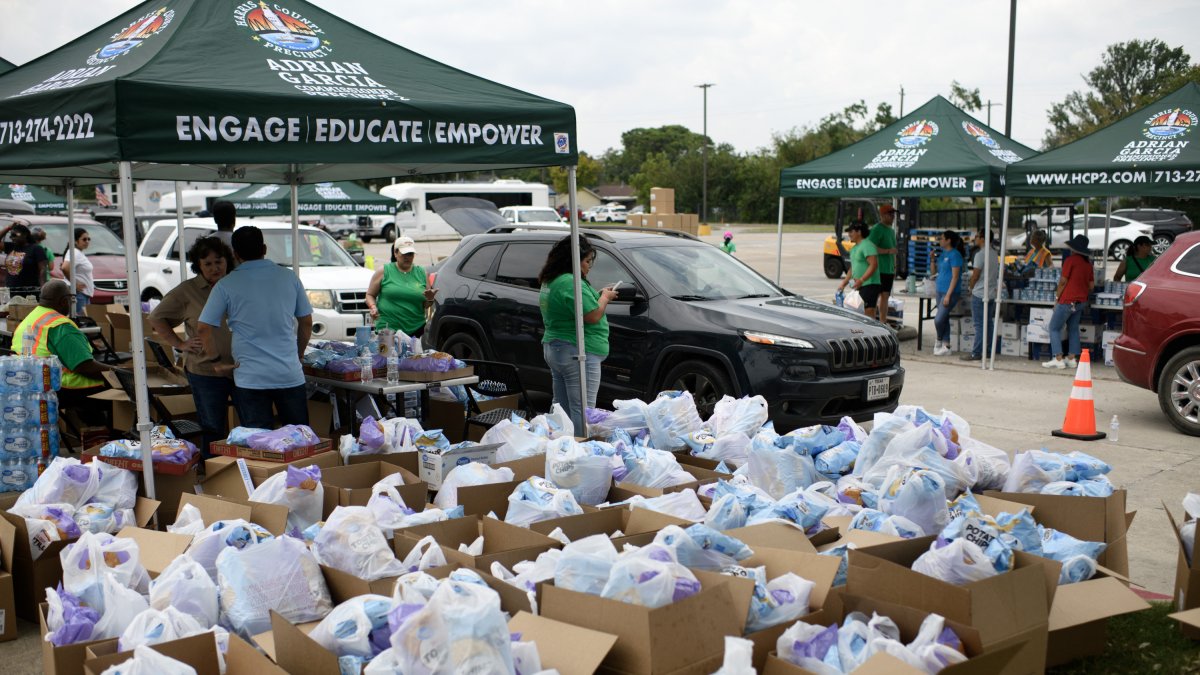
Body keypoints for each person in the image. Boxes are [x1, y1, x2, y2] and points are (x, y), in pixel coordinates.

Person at [198, 226, 313, 428]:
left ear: (234, 254)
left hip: (250, 377)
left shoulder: (226, 284)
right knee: (300, 441)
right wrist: (299, 354)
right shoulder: (289, 277)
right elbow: (306, 322)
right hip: (288, 373)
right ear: (264, 248)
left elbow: (203, 327)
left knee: (259, 445)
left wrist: (215, 361)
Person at [150, 237, 237, 459]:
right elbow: (157, 317)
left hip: (242, 369)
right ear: (198, 266)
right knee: (212, 427)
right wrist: (179, 344)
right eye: (207, 264)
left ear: (228, 260)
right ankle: (212, 474)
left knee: (248, 428)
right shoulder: (188, 291)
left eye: (219, 261)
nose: (215, 268)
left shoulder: (237, 284)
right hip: (205, 371)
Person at [538, 235, 617, 429]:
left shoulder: (553, 279)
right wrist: (605, 297)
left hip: (556, 347)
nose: (589, 266)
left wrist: (596, 297)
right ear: (573, 260)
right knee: (583, 410)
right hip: (576, 350)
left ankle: (557, 444)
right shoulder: (570, 282)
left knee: (561, 407)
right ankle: (580, 449)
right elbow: (592, 316)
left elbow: (575, 308)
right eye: (587, 261)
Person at [11, 280, 111, 426]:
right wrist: (118, 373)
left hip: (31, 383)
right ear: (64, 301)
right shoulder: (60, 325)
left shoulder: (30, 318)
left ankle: (94, 432)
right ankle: (112, 437)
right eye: (72, 299)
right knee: (119, 388)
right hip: (60, 387)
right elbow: (84, 366)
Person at [366, 236, 436, 337]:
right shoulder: (384, 271)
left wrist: (430, 299)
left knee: (415, 353)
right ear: (395, 253)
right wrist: (373, 307)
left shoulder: (422, 272)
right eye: (404, 254)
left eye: (410, 254)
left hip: (416, 329)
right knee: (386, 353)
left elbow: (426, 305)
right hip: (388, 329)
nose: (407, 257)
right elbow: (370, 295)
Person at [1043, 235, 1095, 370]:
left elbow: (1062, 281)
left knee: (1054, 328)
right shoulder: (1088, 265)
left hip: (1067, 300)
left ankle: (1058, 358)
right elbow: (1091, 286)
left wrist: (1056, 298)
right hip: (1080, 302)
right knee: (1073, 329)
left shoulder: (1070, 261)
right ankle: (1072, 359)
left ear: (1073, 249)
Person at [962, 229, 1003, 362]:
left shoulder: (980, 255)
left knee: (979, 325)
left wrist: (970, 286)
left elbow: (975, 275)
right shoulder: (994, 254)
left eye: (977, 236)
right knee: (989, 324)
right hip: (990, 293)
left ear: (983, 238)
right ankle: (989, 351)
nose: (975, 238)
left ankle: (976, 352)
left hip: (979, 293)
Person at [932, 230, 965, 356]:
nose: (940, 240)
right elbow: (933, 272)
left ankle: (939, 340)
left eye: (941, 238)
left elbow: (955, 276)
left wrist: (948, 295)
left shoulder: (955, 255)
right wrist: (931, 260)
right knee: (944, 317)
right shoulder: (943, 254)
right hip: (939, 289)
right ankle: (947, 345)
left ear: (948, 240)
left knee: (939, 319)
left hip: (949, 292)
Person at [838, 222, 881, 320]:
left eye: (851, 231)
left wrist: (861, 279)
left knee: (868, 315)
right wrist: (843, 284)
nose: (849, 234)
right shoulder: (854, 248)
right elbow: (852, 268)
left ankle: (872, 334)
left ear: (859, 232)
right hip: (860, 286)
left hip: (870, 284)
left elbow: (873, 265)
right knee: (859, 315)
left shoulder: (867, 245)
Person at [868, 204, 899, 322]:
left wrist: (894, 266)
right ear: (883, 215)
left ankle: (883, 322)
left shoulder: (891, 231)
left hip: (888, 269)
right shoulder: (876, 229)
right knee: (874, 298)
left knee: (886, 296)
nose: (893, 217)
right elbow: (869, 247)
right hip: (877, 269)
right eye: (890, 214)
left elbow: (893, 250)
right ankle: (871, 323)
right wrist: (887, 251)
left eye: (894, 214)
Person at [0, 222, 48, 297]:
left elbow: (43, 269)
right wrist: (8, 228)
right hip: (11, 291)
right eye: (11, 236)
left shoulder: (36, 249)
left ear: (25, 235)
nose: (12, 238)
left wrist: (43, 289)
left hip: (29, 292)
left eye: (14, 235)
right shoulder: (11, 247)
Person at [60, 228, 93, 315]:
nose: (87, 241)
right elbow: (65, 268)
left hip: (83, 294)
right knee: (80, 323)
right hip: (79, 295)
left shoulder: (79, 253)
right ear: (75, 241)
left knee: (84, 322)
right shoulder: (74, 252)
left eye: (88, 239)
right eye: (84, 239)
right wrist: (74, 284)